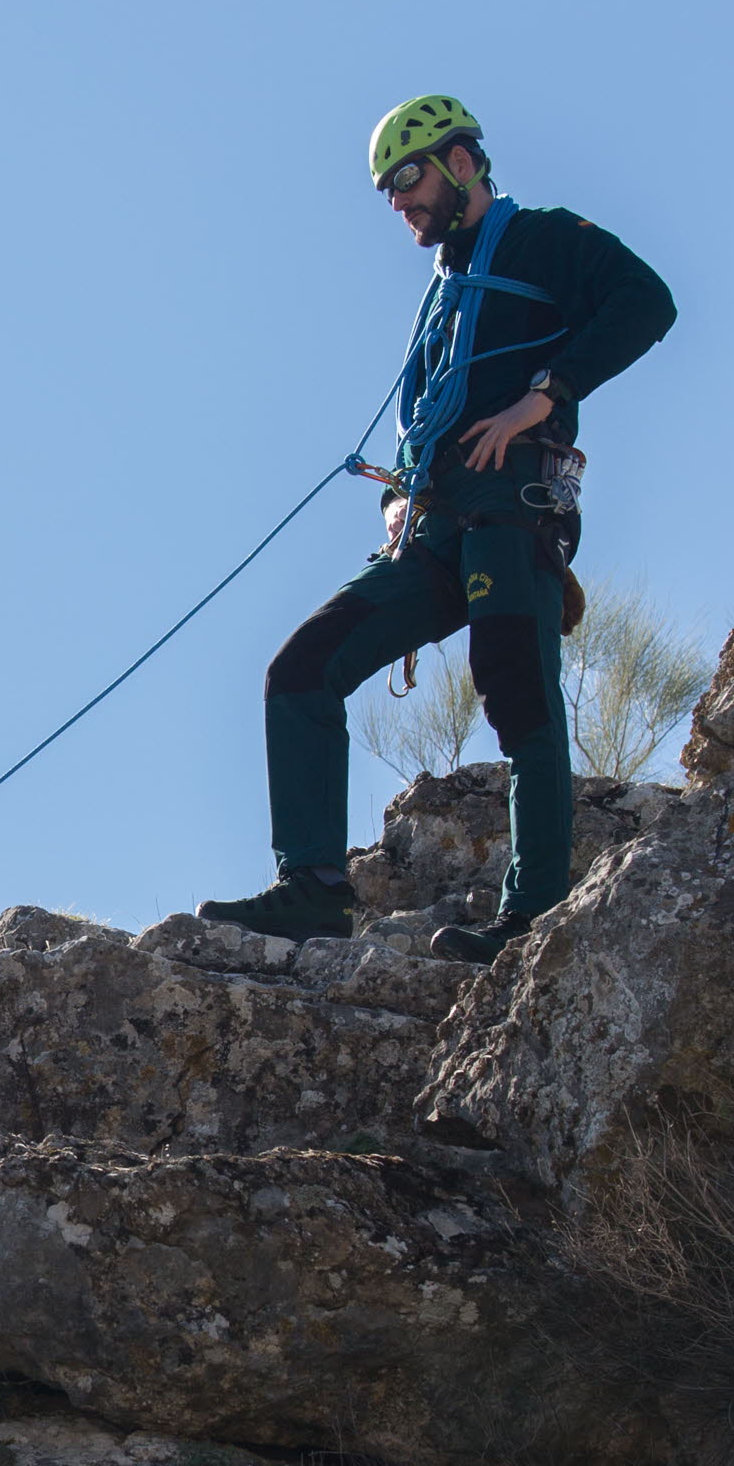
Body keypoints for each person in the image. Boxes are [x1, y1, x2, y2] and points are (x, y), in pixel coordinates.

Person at [201, 95, 676, 960]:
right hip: (435, 523)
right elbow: (428, 410)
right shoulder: (444, 294)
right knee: (300, 671)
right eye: (386, 189)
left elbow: (647, 302)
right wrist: (398, 499)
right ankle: (313, 888)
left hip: (512, 510)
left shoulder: (543, 239)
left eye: (409, 177)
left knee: (517, 692)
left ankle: (530, 920)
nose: (399, 201)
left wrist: (545, 396)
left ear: (462, 163)